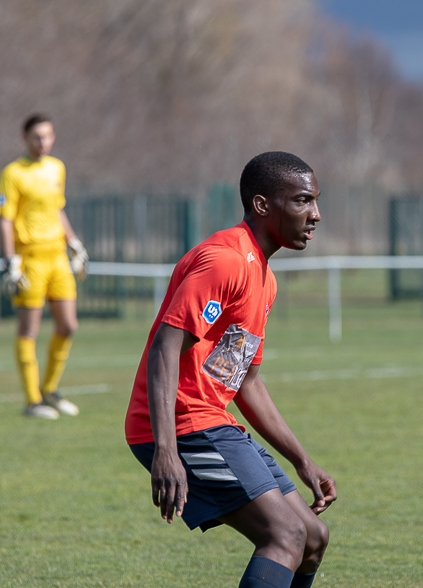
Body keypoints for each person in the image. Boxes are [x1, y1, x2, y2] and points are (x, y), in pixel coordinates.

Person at [125, 151, 336, 588]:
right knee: (285, 535)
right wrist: (167, 449)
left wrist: (302, 460)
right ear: (262, 205)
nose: (315, 214)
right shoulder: (226, 261)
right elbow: (165, 347)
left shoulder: (264, 278)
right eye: (302, 200)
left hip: (213, 422)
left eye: (315, 200)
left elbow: (244, 380)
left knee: (313, 536)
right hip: (181, 425)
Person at [0, 114, 88, 419]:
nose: (42, 142)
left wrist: (73, 242)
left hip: (57, 257)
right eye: (36, 136)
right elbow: (5, 219)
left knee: (68, 325)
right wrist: (10, 260)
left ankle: (50, 389)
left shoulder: (56, 167)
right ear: (25, 139)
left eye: (47, 136)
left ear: (53, 136)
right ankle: (32, 400)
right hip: (30, 258)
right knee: (29, 329)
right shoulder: (13, 173)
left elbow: (57, 209)